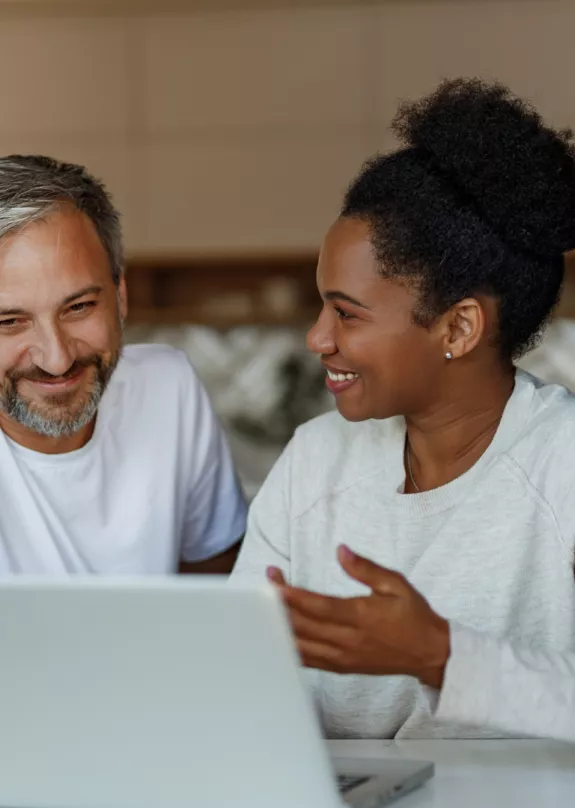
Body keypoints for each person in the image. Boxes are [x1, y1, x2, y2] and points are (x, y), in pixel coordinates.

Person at [230, 79, 575, 740]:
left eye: (347, 313)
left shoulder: (562, 465)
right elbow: (233, 678)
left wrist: (440, 657)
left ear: (458, 328)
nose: (316, 338)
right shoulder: (314, 461)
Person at [0, 155, 246, 574]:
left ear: (120, 297)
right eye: (9, 322)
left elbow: (217, 587)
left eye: (78, 307)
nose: (57, 359)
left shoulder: (168, 388)